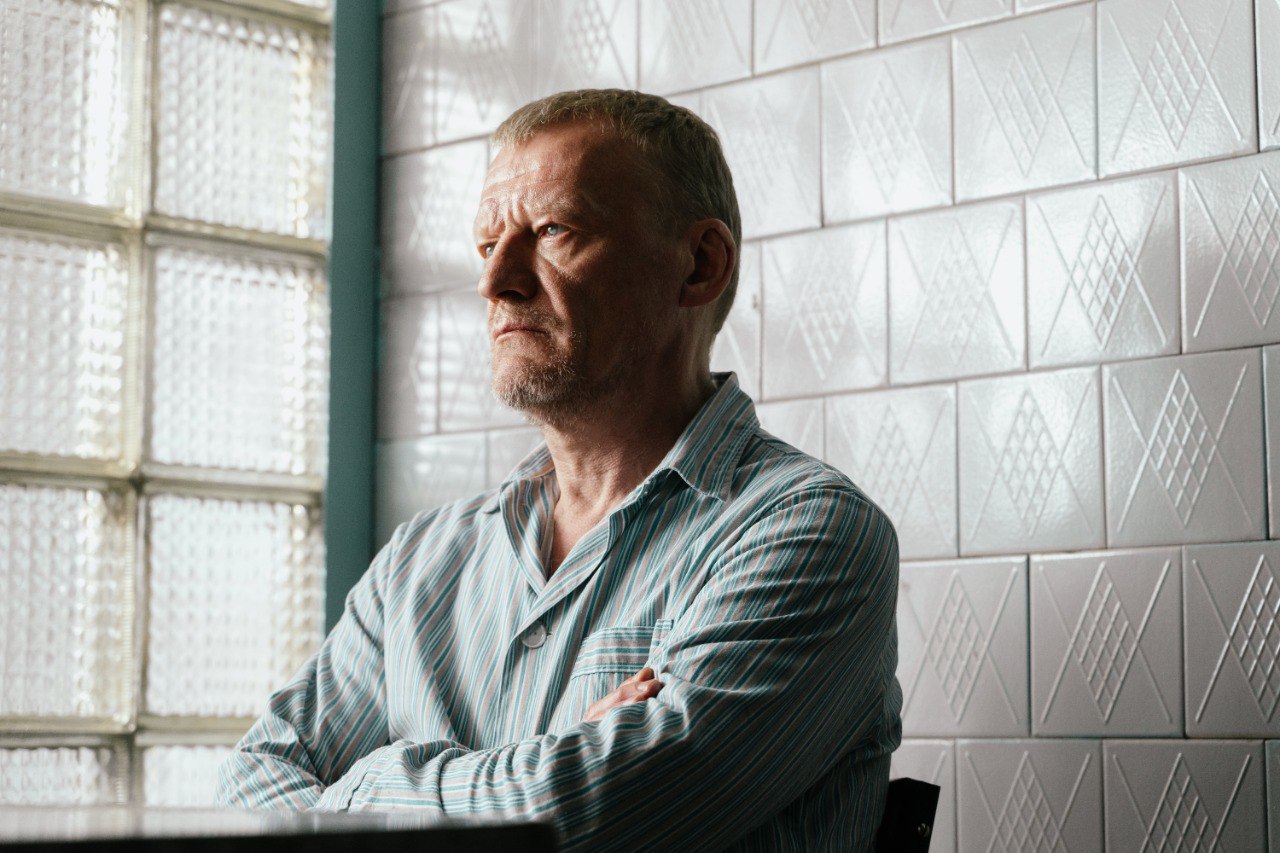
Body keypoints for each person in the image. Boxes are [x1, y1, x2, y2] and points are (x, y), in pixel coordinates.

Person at [217, 89, 901, 851]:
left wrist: (361, 786)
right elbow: (253, 784)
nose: (496, 282)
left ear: (700, 264)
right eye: (487, 245)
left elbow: (579, 820)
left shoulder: (809, 531)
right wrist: (548, 765)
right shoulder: (421, 560)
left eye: (552, 231)